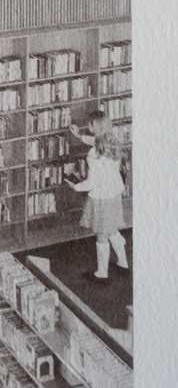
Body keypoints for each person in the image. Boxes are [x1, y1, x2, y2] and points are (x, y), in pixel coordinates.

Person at [65, 111, 129, 283]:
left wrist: (76, 186)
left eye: (90, 125)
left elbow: (93, 182)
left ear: (96, 127)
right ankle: (123, 263)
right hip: (114, 194)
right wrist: (79, 135)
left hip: (101, 197)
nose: (89, 127)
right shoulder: (112, 143)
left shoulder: (94, 154)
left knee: (101, 234)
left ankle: (102, 273)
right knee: (112, 229)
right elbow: (95, 140)